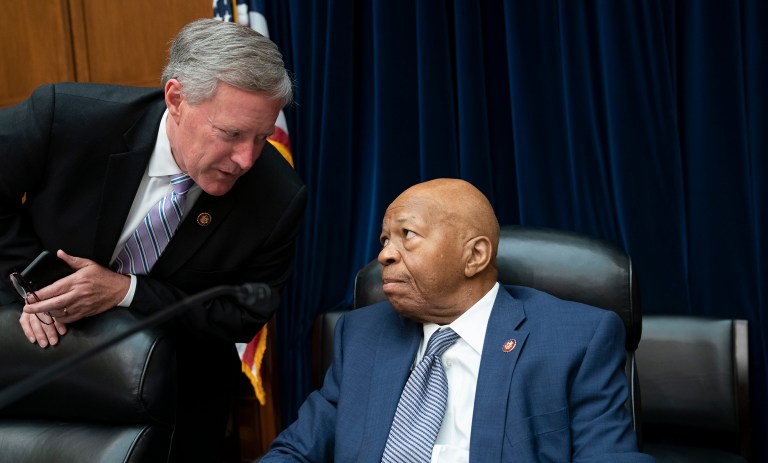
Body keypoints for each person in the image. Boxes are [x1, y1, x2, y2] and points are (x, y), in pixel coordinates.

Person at [0, 19, 306, 462]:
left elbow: (241, 313)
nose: (246, 159)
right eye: (232, 134)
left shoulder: (277, 198)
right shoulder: (67, 117)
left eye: (260, 137)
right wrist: (27, 289)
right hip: (31, 361)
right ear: (176, 99)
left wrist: (126, 292)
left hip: (176, 401)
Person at [262, 178, 653, 462]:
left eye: (407, 235)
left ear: (475, 257)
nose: (384, 255)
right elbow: (296, 451)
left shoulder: (576, 339)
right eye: (384, 240)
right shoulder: (361, 334)